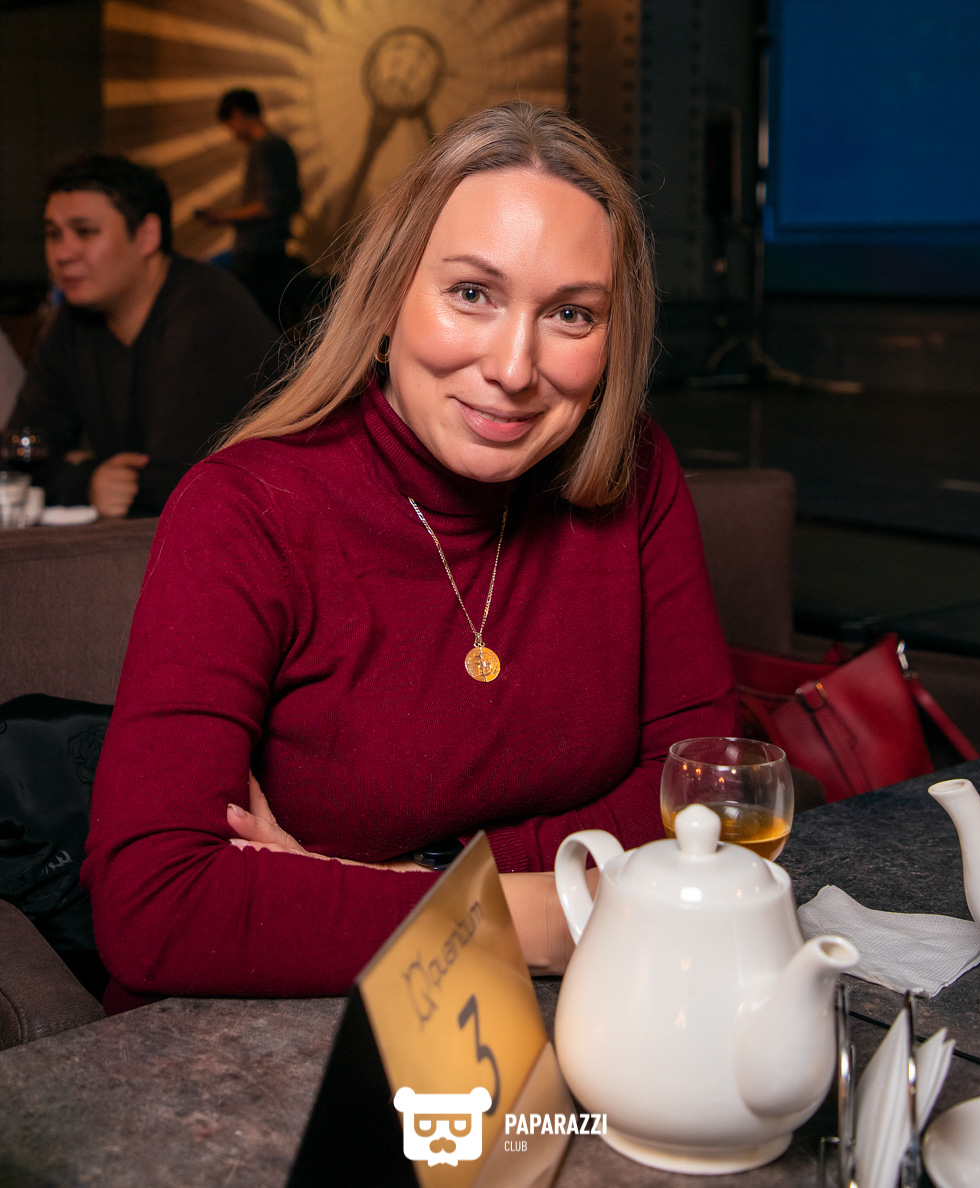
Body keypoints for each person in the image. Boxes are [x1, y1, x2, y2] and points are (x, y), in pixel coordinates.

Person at [83, 103, 737, 1013]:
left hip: (575, 1015)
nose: (514, 368)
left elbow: (706, 796)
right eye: (472, 293)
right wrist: (547, 914)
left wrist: (399, 880)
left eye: (571, 314)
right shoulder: (246, 507)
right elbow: (155, 903)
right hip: (266, 1042)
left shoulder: (636, 472)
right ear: (388, 297)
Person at [13, 154, 280, 518]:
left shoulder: (207, 313)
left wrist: (89, 474)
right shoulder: (70, 324)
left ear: (147, 235)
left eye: (85, 231)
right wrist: (89, 481)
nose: (62, 253)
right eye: (53, 234)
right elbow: (18, 459)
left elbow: (177, 487)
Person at [201, 88, 305, 329]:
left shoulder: (264, 148)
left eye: (230, 125)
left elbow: (266, 206)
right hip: (272, 250)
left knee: (206, 279)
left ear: (237, 115)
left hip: (256, 252)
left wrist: (220, 215)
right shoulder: (282, 145)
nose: (232, 134)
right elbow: (293, 200)